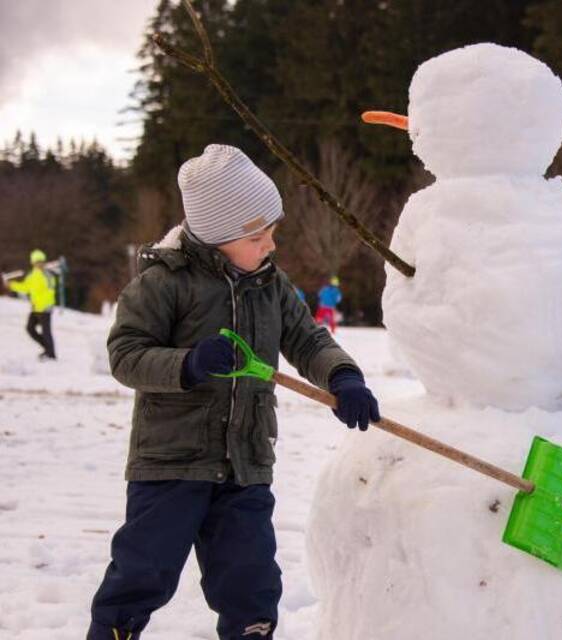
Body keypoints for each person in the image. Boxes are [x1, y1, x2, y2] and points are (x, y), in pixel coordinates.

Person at [86, 144, 381, 640]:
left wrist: (342, 377)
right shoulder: (164, 283)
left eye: (272, 232)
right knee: (143, 572)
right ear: (218, 236)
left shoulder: (271, 285)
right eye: (257, 236)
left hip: (245, 463)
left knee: (252, 583)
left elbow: (308, 338)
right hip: (172, 461)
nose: (270, 245)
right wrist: (189, 363)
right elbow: (126, 355)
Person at [4, 248, 57, 360]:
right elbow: (26, 288)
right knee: (30, 329)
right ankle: (48, 350)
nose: (40, 264)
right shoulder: (35, 275)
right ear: (33, 263)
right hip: (36, 308)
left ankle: (50, 354)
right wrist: (11, 285)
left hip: (44, 308)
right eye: (37, 262)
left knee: (46, 332)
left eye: (41, 261)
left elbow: (46, 289)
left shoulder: (44, 275)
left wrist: (11, 284)